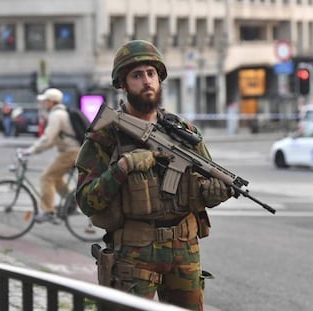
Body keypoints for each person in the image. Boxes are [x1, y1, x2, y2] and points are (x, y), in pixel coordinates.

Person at [75, 40, 232, 311]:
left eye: (151, 73)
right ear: (122, 84)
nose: (147, 81)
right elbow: (86, 201)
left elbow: (206, 180)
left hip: (184, 248)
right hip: (133, 253)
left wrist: (212, 194)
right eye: (137, 75)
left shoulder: (184, 132)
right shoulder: (107, 134)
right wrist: (122, 168)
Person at [22, 88, 81, 223]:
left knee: (46, 177)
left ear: (52, 102)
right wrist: (36, 149)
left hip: (70, 152)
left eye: (46, 101)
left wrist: (30, 151)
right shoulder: (61, 113)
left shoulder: (56, 115)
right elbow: (52, 140)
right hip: (73, 151)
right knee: (56, 177)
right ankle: (70, 203)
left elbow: (48, 138)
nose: (44, 103)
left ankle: (48, 211)